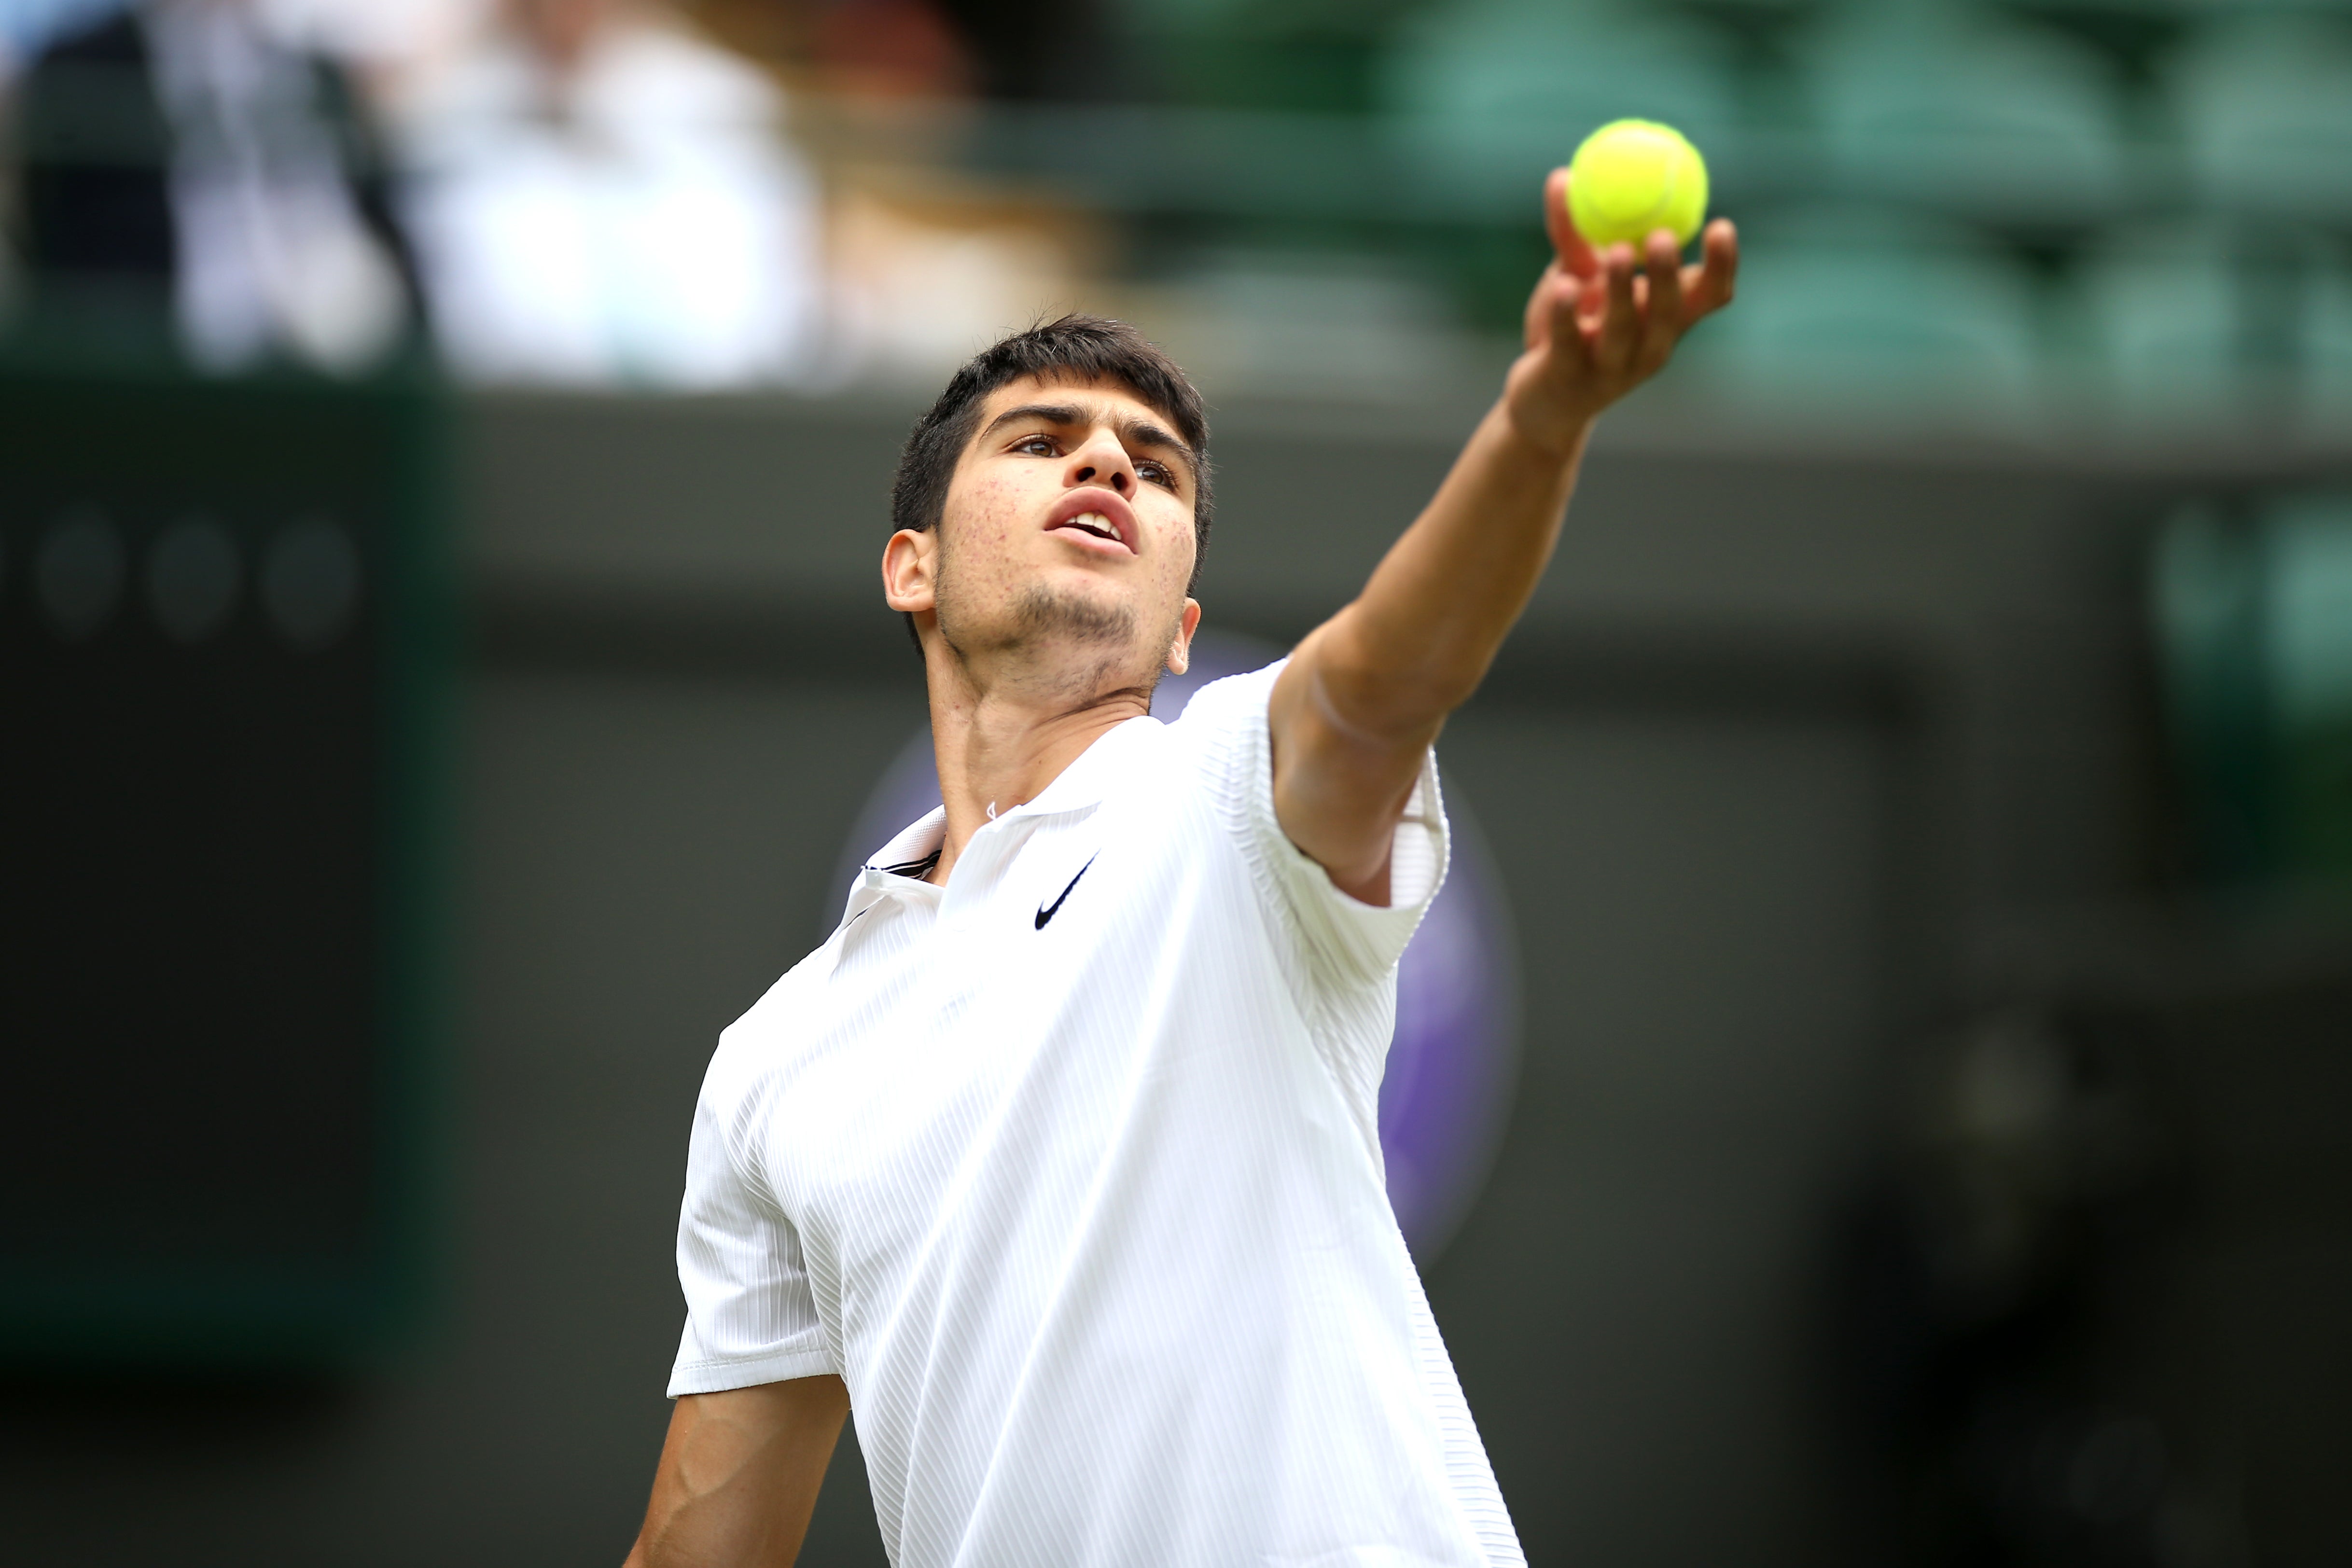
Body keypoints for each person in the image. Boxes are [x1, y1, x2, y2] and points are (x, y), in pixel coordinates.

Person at [626, 175, 1738, 1568]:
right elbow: (701, 1541)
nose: (1106, 467)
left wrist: (1540, 420)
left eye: (1150, 468)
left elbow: (1383, 686)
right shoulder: (773, 1062)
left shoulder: (1224, 790)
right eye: (1042, 440)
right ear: (909, 567)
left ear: (1179, 629)